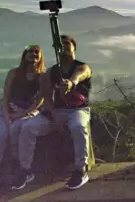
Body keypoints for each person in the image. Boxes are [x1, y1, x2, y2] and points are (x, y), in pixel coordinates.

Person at [12, 35, 92, 191]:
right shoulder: (51, 72)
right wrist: (54, 115)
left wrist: (71, 83)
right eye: (60, 44)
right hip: (58, 111)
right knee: (28, 127)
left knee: (77, 126)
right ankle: (25, 170)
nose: (63, 46)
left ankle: (81, 168)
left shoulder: (82, 67)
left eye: (67, 43)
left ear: (74, 47)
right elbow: (46, 96)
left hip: (78, 110)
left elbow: (80, 75)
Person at [0, 45, 45, 168]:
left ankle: (17, 164)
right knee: (1, 134)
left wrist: (21, 114)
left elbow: (39, 101)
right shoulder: (14, 73)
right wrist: (7, 116)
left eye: (36, 52)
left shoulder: (42, 77)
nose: (33, 54)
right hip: (6, 111)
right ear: (24, 55)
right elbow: (5, 97)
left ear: (41, 56)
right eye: (29, 51)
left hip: (28, 113)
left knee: (17, 130)